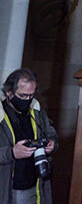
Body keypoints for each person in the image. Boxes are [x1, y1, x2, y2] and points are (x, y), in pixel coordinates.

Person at [0, 68, 58, 204]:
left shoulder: (36, 111)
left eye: (31, 96)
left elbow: (52, 135)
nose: (27, 100)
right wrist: (12, 152)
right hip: (7, 187)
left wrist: (52, 144)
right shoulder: (1, 115)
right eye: (23, 96)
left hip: (36, 184)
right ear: (9, 92)